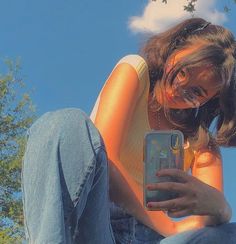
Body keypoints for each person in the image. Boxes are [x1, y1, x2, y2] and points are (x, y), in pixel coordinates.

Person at [21, 18, 236, 243]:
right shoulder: (135, 71)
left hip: (157, 238)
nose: (176, 88)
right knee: (64, 123)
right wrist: (169, 225)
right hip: (99, 222)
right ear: (175, 47)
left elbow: (206, 223)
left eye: (195, 93)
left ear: (211, 101)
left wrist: (221, 207)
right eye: (182, 71)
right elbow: (108, 159)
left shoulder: (202, 143)